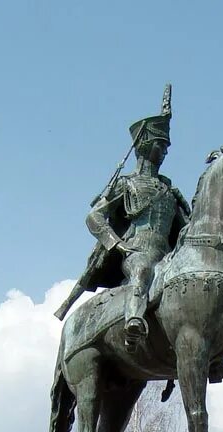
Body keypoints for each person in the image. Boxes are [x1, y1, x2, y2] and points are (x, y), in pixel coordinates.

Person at [55, 87, 190, 349]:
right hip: (137, 251)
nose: (164, 152)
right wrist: (115, 243)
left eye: (166, 146)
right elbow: (94, 217)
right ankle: (134, 322)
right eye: (160, 145)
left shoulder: (170, 191)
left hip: (168, 256)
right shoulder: (127, 185)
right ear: (145, 145)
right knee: (141, 271)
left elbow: (186, 228)